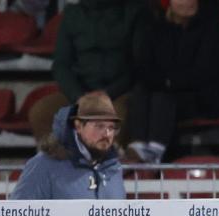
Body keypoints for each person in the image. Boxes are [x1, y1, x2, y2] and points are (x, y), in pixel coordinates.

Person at [127, 0, 219, 163]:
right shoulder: (157, 29)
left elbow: (205, 71)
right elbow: (144, 66)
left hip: (207, 96)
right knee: (141, 90)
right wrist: (164, 81)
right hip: (173, 91)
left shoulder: (213, 27)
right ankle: (138, 145)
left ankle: (156, 150)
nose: (186, 2)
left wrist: (168, 82)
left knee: (163, 96)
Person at [28, 0, 148, 143]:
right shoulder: (72, 14)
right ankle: (58, 161)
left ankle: (106, 163)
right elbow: (61, 65)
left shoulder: (136, 12)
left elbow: (139, 65)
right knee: (41, 112)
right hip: (80, 93)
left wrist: (106, 94)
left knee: (116, 116)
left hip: (119, 93)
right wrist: (78, 96)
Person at [11, 91, 125, 200]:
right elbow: (19, 214)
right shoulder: (44, 165)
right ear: (78, 126)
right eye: (99, 126)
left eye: (111, 127)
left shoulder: (113, 167)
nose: (107, 134)